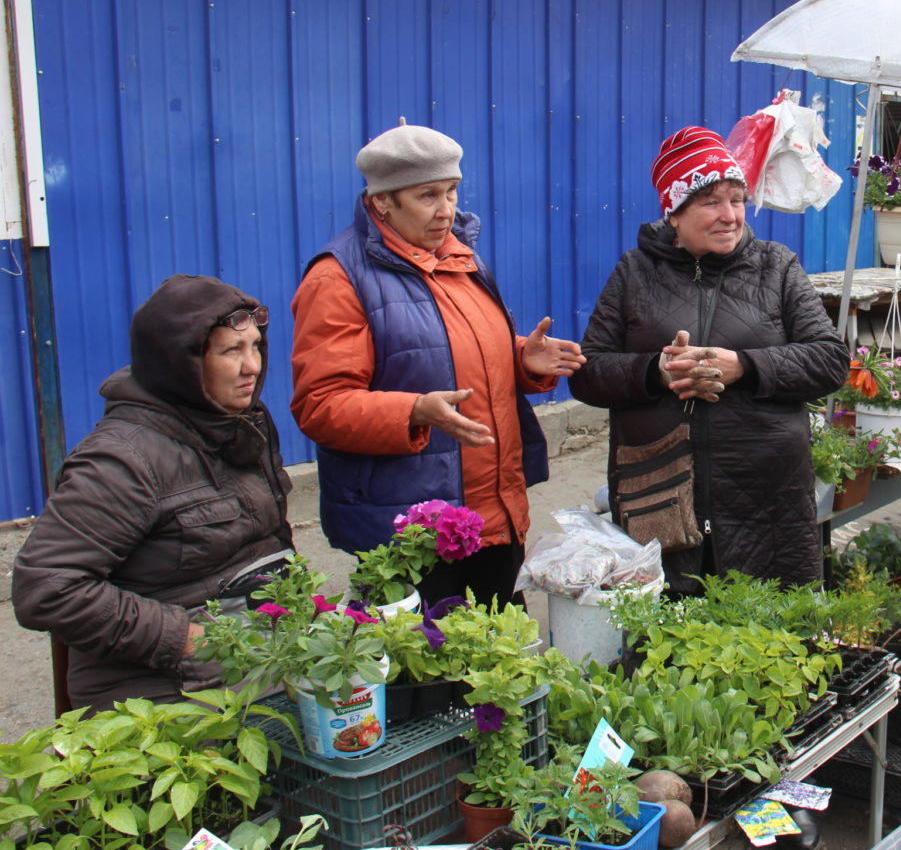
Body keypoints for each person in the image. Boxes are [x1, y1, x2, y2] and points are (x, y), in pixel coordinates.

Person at [290, 121, 585, 607]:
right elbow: (320, 405)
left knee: (500, 664)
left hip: (494, 514)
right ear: (383, 201)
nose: (447, 210)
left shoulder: (460, 257)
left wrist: (520, 358)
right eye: (428, 195)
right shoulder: (338, 279)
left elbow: (446, 350)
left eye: (452, 191)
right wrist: (413, 411)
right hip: (415, 529)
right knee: (426, 669)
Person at [569, 126, 847, 592]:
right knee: (670, 645)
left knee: (771, 636)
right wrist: (655, 371)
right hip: (662, 492)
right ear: (673, 213)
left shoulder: (777, 267)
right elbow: (588, 374)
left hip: (766, 496)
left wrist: (745, 365)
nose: (729, 216)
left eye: (737, 199)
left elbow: (830, 360)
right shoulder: (634, 273)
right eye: (711, 202)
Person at [12, 275, 294, 710]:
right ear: (180, 363)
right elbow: (47, 588)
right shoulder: (124, 460)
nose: (252, 366)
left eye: (255, 346)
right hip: (164, 687)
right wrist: (184, 639)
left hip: (248, 652)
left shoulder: (238, 422)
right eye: (231, 351)